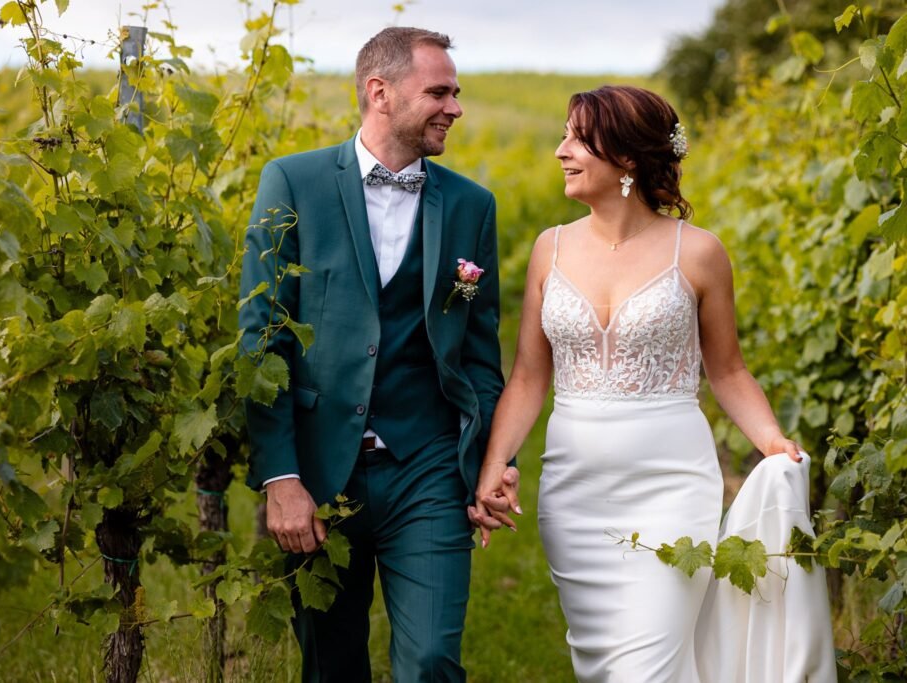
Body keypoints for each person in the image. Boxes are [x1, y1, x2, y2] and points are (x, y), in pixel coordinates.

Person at [469, 85, 834, 682]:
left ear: (628, 157)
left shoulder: (699, 254)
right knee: (606, 669)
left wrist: (770, 441)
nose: (560, 150)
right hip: (573, 496)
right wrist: (494, 463)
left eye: (576, 138)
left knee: (650, 669)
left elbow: (728, 369)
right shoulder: (549, 249)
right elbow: (531, 377)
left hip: (671, 489)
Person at [238, 27, 507, 682]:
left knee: (433, 660)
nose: (455, 106)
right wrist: (280, 477)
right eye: (438, 91)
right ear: (379, 93)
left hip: (430, 468)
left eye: (457, 92)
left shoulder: (472, 205)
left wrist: (494, 462)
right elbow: (262, 337)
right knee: (330, 664)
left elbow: (479, 352)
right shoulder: (293, 182)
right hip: (319, 472)